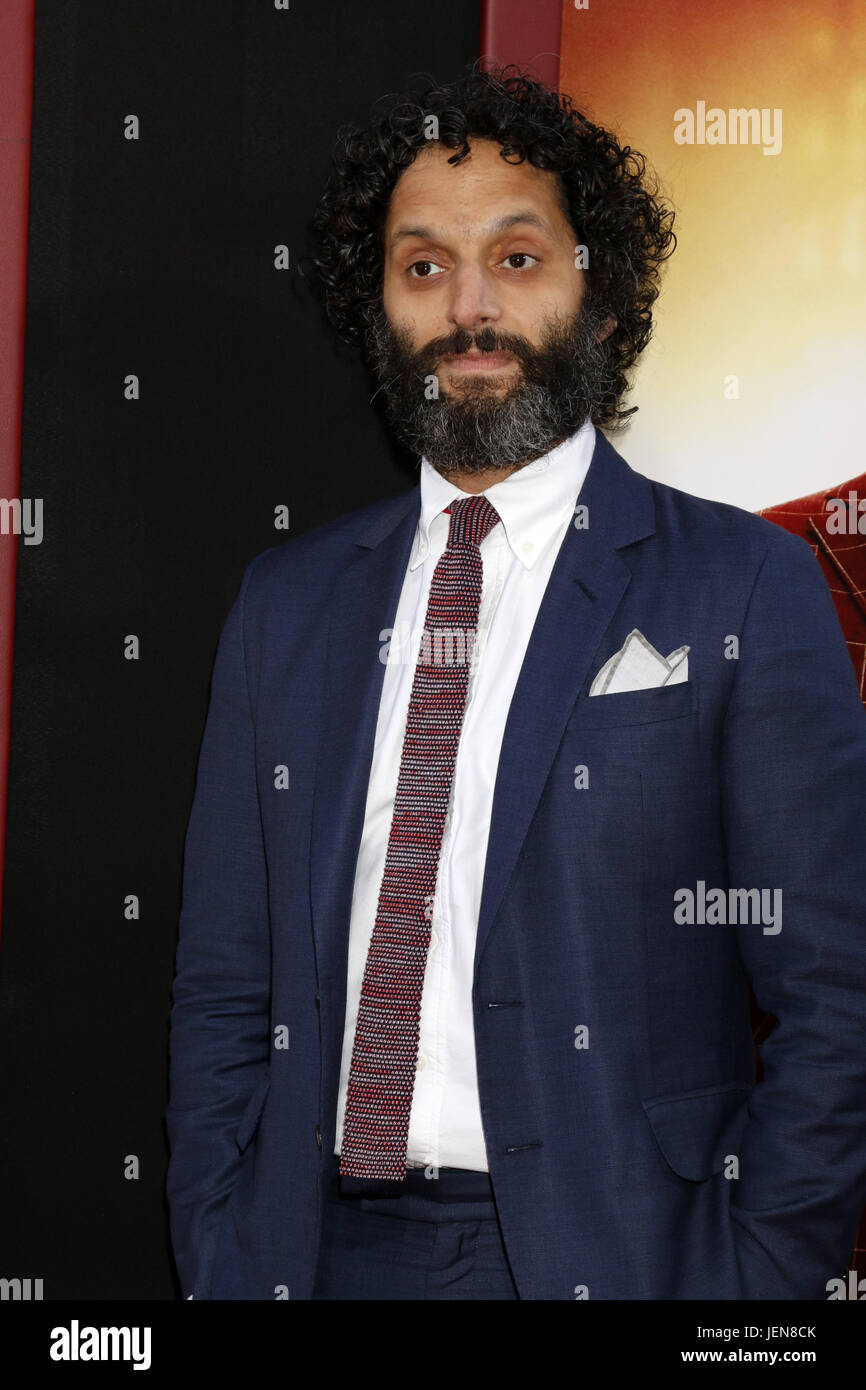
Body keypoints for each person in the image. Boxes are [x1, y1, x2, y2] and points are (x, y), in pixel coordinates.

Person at [164, 65, 866, 1300]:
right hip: (316, 1254)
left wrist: (747, 1280)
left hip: (625, 1256)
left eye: (519, 258)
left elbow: (836, 989)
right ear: (378, 310)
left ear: (600, 300)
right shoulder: (285, 603)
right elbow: (227, 983)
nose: (468, 309)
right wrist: (223, 1246)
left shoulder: (740, 585)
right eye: (422, 267)